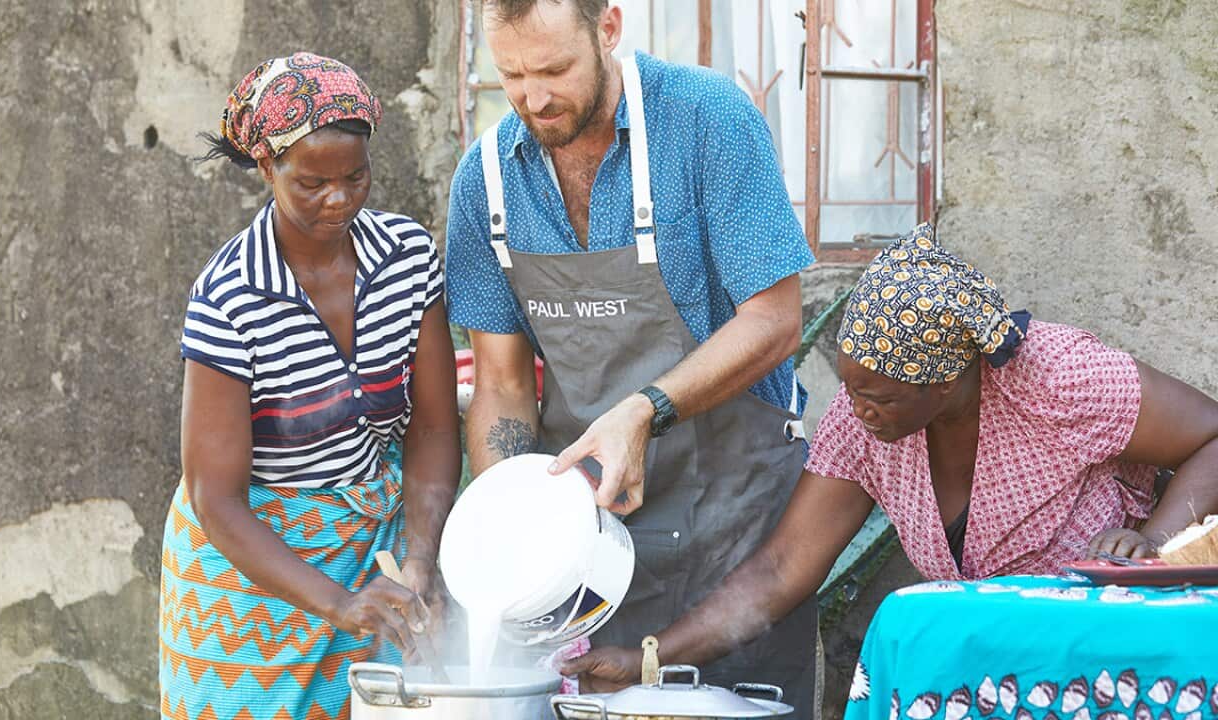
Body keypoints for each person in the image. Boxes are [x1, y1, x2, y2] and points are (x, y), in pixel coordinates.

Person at [563, 222, 1218, 689]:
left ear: (940, 382)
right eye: (848, 386)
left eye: (874, 394)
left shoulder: (1060, 379)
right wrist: (649, 658)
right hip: (980, 671)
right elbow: (784, 568)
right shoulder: (865, 424)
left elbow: (1211, 436)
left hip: (1098, 664)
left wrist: (1155, 540)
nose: (854, 407)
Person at [443, 0, 820, 705]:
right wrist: (518, 532)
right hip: (588, 545)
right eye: (512, 75)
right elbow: (500, 382)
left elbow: (774, 322)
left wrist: (641, 413)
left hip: (734, 535)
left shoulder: (708, 121)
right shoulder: (485, 182)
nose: (535, 97)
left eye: (555, 68)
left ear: (608, 29)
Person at [159, 52, 460, 720]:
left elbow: (435, 428)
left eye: (355, 177)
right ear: (267, 168)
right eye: (311, 182)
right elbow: (217, 498)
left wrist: (418, 561)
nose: (339, 199)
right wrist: (336, 603)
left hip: (370, 557)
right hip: (248, 578)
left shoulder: (407, 261)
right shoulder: (229, 297)